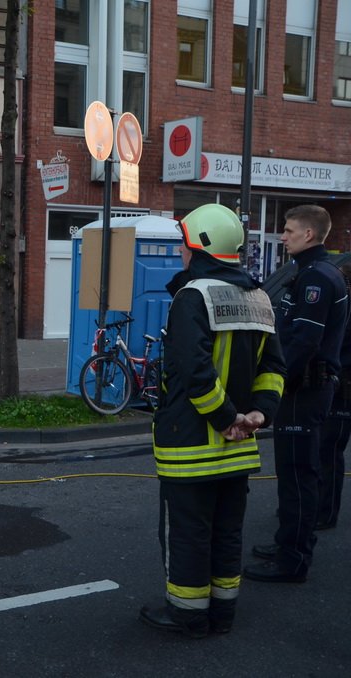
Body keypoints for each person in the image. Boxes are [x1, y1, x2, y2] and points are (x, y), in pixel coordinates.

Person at [139, 203, 285, 638]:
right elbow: (274, 368)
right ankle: (222, 612)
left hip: (193, 446)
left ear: (196, 247)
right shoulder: (259, 297)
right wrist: (259, 413)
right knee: (226, 532)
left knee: (187, 533)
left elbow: (194, 372)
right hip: (240, 446)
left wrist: (225, 419)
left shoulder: (192, 297)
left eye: (183, 244)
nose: (180, 253)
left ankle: (186, 613)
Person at [245, 205, 348, 583]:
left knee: (298, 474)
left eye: (288, 231)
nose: (283, 236)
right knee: (292, 474)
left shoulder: (316, 278)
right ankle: (288, 541)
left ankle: (293, 559)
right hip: (304, 387)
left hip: (305, 389)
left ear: (308, 234)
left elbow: (303, 340)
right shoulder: (309, 273)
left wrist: (273, 385)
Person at [315, 261, 351, 531]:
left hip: (344, 386)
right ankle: (318, 507)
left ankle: (326, 513)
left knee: (330, 448)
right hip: (335, 382)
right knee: (323, 448)